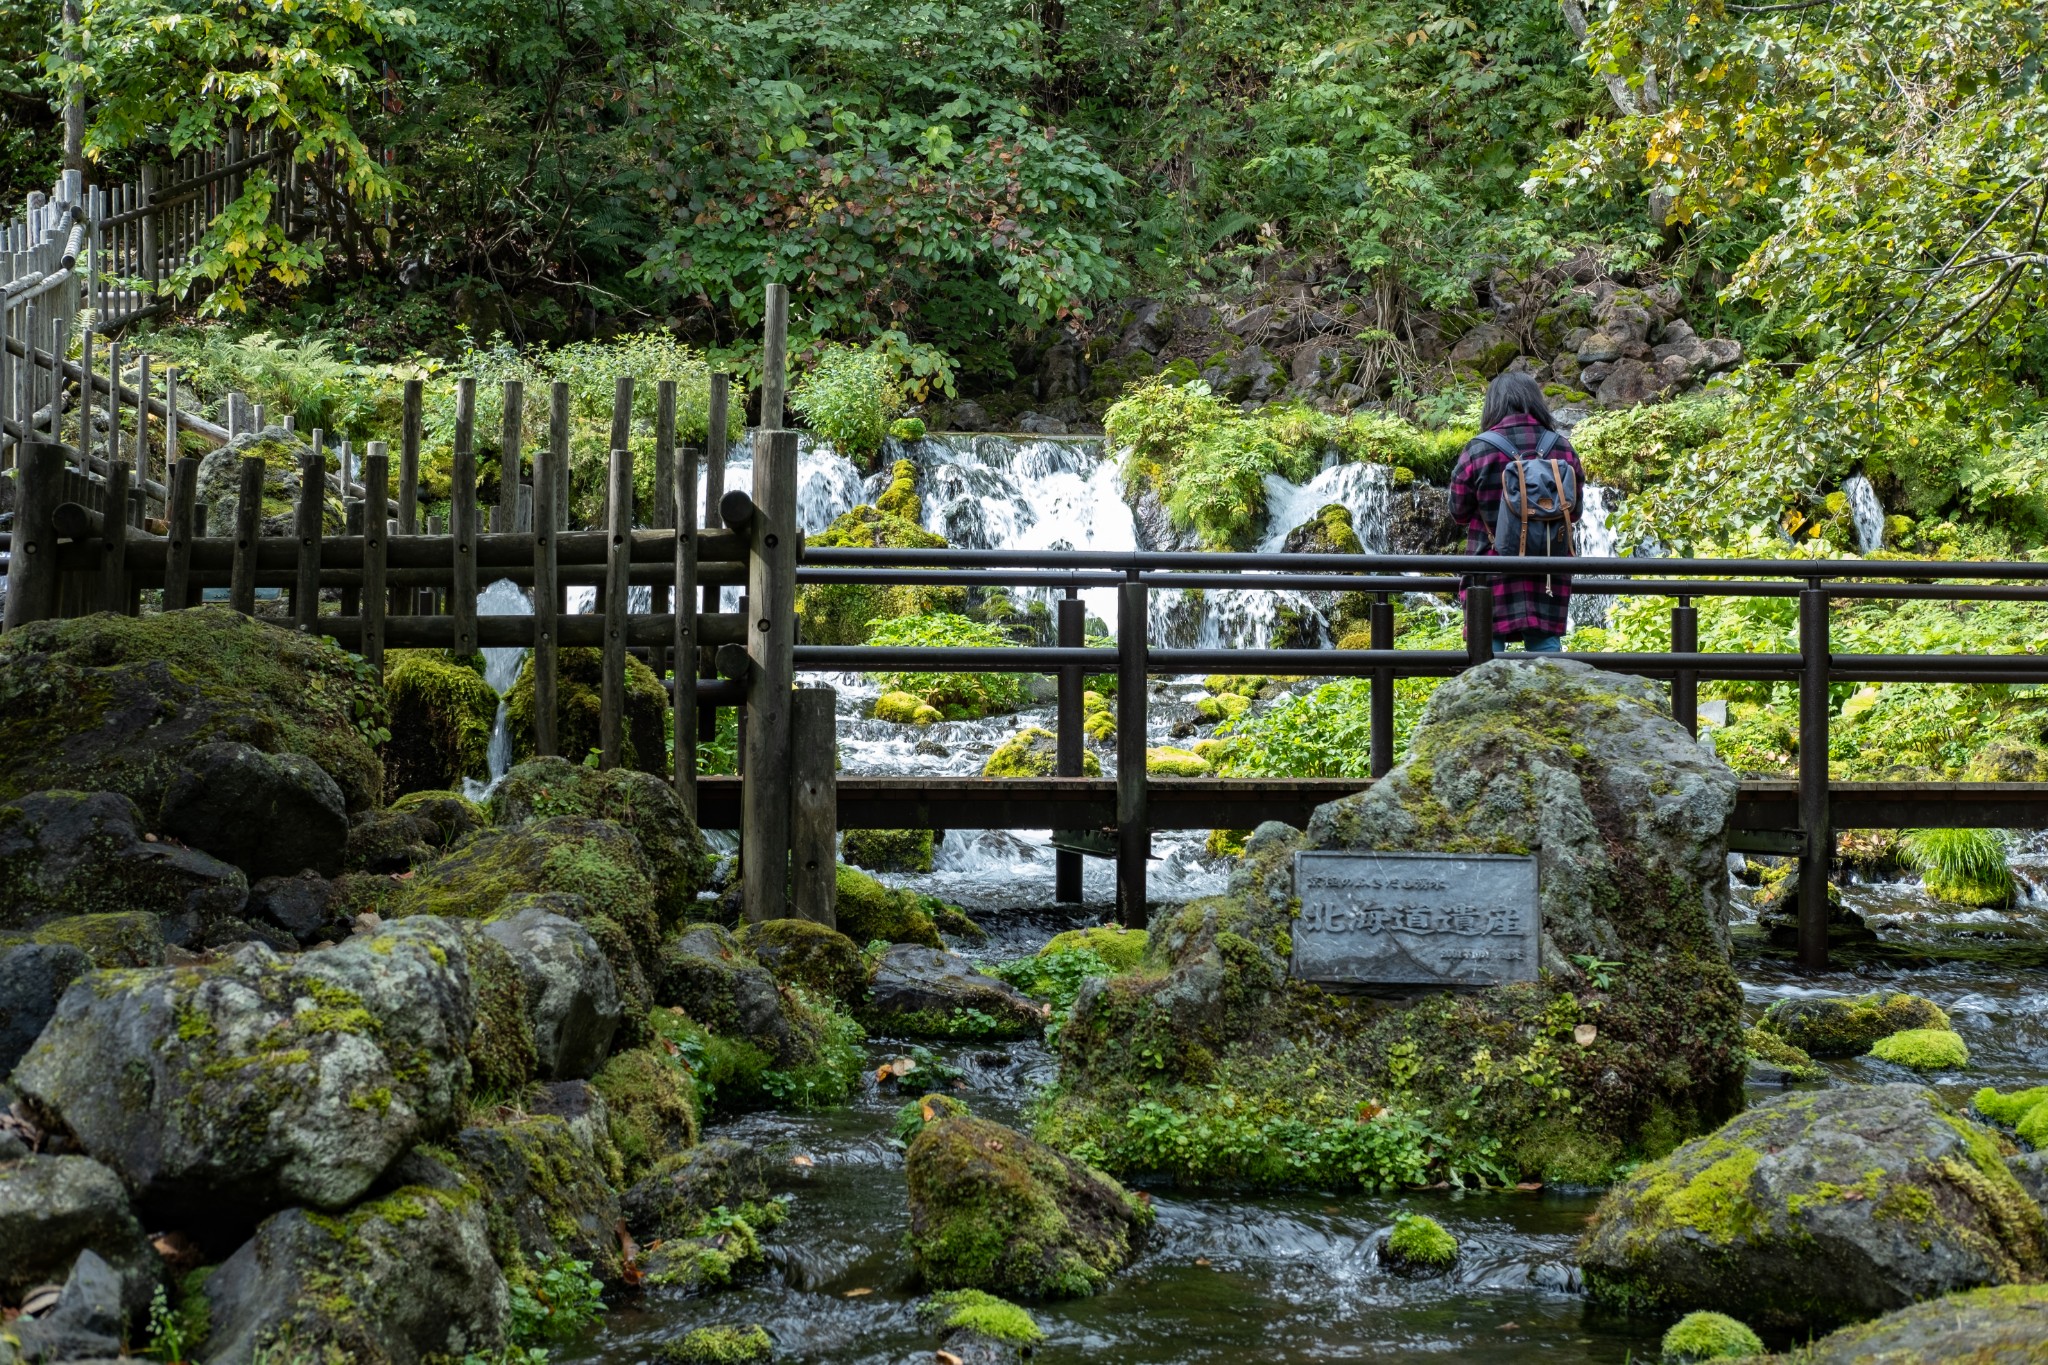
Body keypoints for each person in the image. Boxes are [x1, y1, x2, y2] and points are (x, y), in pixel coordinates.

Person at [1447, 371, 1585, 654]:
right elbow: (1575, 511)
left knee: (1487, 656)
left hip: (1490, 570)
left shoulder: (1479, 450)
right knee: (1546, 656)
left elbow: (1458, 512)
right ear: (1536, 401)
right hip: (1547, 570)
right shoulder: (1562, 449)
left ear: (1493, 405)